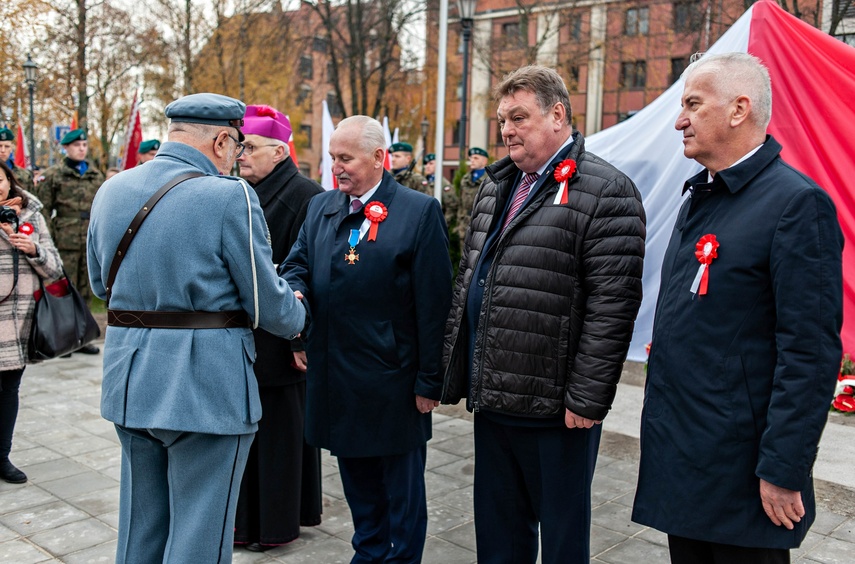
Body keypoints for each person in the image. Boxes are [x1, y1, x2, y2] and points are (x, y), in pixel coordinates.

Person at [632, 52, 843, 564]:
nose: (679, 119)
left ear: (738, 110)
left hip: (742, 473)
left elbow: (809, 352)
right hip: (686, 460)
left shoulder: (795, 204)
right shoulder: (700, 198)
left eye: (693, 104)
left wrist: (783, 467)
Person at [86, 93, 306, 564]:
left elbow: (100, 285)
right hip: (208, 385)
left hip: (129, 377)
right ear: (223, 139)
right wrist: (299, 311)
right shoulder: (230, 195)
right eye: (238, 144)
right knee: (200, 537)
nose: (238, 156)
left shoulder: (112, 189)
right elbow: (270, 304)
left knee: (140, 530)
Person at [441, 65, 646, 564]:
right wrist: (451, 372)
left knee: (559, 539)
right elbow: (469, 278)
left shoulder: (606, 190)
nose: (507, 130)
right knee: (498, 534)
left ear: (557, 115)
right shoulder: (496, 186)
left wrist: (588, 399)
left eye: (518, 117)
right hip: (494, 401)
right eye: (501, 121)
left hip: (557, 411)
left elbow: (611, 307)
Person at [281, 115, 452, 563]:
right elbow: (298, 262)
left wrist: (430, 381)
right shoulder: (322, 206)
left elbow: (435, 305)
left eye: (345, 158)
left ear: (379, 158)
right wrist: (297, 290)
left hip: (392, 381)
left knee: (401, 492)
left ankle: (400, 558)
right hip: (337, 376)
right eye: (332, 157)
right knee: (357, 483)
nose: (335, 167)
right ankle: (369, 552)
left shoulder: (418, 212)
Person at [233, 104, 323, 551]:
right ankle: (254, 520)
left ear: (280, 152)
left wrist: (299, 336)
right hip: (250, 332)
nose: (241, 154)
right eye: (239, 145)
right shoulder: (242, 189)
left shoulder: (303, 194)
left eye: (250, 147)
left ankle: (275, 523)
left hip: (283, 335)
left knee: (281, 435)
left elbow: (309, 271)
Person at [0, 161, 63, 484]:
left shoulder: (31, 215)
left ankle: (2, 457)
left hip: (19, 321)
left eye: (0, 180)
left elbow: (55, 269)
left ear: (10, 181)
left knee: (9, 390)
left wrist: (33, 249)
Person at [35, 128, 103, 355]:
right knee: (65, 289)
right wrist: (46, 241)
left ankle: (82, 338)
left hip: (89, 237)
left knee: (86, 288)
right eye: (76, 146)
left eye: (84, 145)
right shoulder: (54, 175)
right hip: (64, 238)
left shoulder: (95, 174)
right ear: (66, 148)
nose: (81, 149)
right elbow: (43, 209)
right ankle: (64, 340)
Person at [456, 146, 489, 240]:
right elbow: (460, 204)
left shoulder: (490, 179)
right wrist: (460, 223)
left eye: (476, 158)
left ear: (485, 161)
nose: (472, 160)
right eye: (471, 158)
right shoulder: (466, 179)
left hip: (482, 224)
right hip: (465, 225)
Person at [422, 153, 457, 230]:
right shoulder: (422, 182)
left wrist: (442, 225)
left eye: (431, 163)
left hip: (435, 224)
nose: (427, 166)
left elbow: (451, 206)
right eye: (426, 164)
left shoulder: (443, 184)